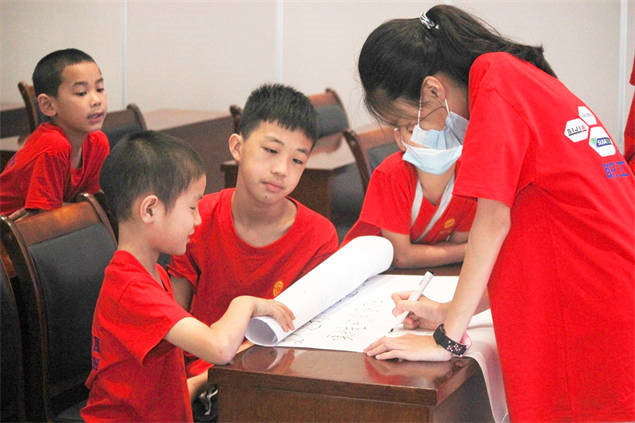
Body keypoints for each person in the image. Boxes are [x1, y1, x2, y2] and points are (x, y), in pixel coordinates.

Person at [360, 5, 634, 422]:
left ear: (433, 91)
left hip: (591, 304)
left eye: (409, 122)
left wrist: (447, 339)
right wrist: (451, 311)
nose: (414, 138)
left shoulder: (495, 80)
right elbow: (529, 235)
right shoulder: (513, 74)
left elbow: (493, 224)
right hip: (601, 286)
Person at [80, 131, 294, 422]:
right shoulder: (131, 288)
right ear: (150, 209)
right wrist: (245, 303)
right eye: (192, 207)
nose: (198, 219)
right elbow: (218, 348)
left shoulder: (152, 273)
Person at [168, 84, 339, 393]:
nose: (281, 170)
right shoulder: (197, 218)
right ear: (237, 147)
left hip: (272, 383)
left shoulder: (319, 237)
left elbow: (301, 337)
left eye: (297, 160)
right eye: (271, 151)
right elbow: (172, 319)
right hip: (193, 380)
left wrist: (205, 381)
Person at [341, 102, 476, 268]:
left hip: (426, 271)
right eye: (414, 131)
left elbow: (456, 248)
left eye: (441, 127)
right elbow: (401, 257)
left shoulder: (470, 177)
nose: (430, 140)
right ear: (400, 140)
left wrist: (464, 250)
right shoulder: (391, 175)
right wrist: (469, 250)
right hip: (367, 270)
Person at [0, 48, 109, 218]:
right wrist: (88, 209)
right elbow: (48, 220)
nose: (96, 100)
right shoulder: (52, 146)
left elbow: (92, 202)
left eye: (100, 89)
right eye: (81, 93)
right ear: (48, 105)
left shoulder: (98, 141)